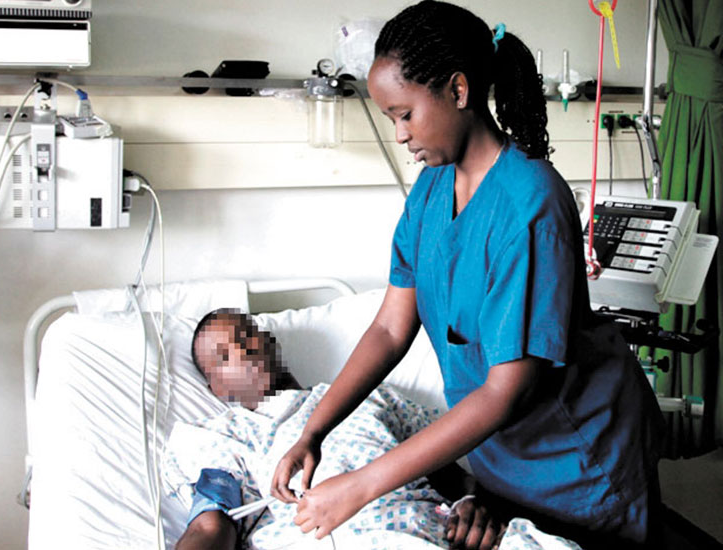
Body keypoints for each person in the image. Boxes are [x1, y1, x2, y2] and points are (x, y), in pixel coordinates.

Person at [271, 2, 666, 550]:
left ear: (458, 91)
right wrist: (314, 429)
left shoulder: (529, 205)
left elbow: (503, 393)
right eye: (391, 119)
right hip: (503, 463)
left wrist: (362, 486)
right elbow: (389, 329)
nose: (401, 136)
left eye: (406, 114)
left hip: (579, 466)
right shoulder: (433, 188)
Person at [167, 309, 509, 550]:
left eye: (248, 335)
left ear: (270, 342)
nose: (244, 350)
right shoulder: (230, 435)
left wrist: (471, 503)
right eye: (225, 356)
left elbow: (454, 476)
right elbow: (210, 525)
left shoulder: (370, 396)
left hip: (425, 532)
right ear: (217, 388)